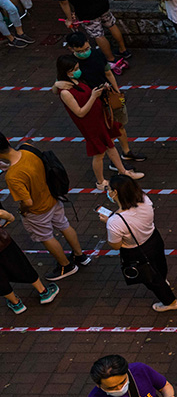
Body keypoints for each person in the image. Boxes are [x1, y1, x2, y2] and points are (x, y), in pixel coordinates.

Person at [0, 132, 89, 281]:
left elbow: (28, 202)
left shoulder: (13, 176)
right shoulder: (27, 148)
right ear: (7, 141)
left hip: (38, 211)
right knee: (64, 225)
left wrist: (22, 211)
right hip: (52, 197)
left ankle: (66, 266)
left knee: (46, 237)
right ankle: (80, 256)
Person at [52, 54, 144, 191]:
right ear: (66, 71)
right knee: (99, 153)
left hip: (99, 118)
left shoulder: (75, 81)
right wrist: (93, 96)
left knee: (110, 145)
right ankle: (100, 182)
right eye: (74, 69)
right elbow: (80, 112)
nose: (78, 70)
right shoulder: (65, 92)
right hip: (90, 125)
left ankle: (123, 171)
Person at [100, 174, 177, 312]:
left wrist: (108, 222)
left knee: (150, 278)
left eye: (108, 189)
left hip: (135, 251)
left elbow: (115, 245)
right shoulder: (144, 199)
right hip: (154, 238)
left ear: (115, 193)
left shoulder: (115, 222)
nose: (107, 192)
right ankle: (163, 281)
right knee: (159, 264)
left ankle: (170, 301)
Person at [64, 31, 146, 165]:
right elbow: (60, 85)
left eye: (86, 49)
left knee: (119, 125)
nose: (85, 52)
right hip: (92, 103)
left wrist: (117, 91)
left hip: (109, 96)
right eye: (80, 50)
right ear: (71, 49)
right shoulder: (70, 64)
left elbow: (108, 73)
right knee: (107, 132)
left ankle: (126, 152)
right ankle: (115, 162)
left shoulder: (97, 54)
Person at [0, 207, 60, 315]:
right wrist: (10, 218)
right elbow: (1, 213)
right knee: (19, 264)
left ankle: (16, 303)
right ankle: (43, 292)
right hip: (2, 244)